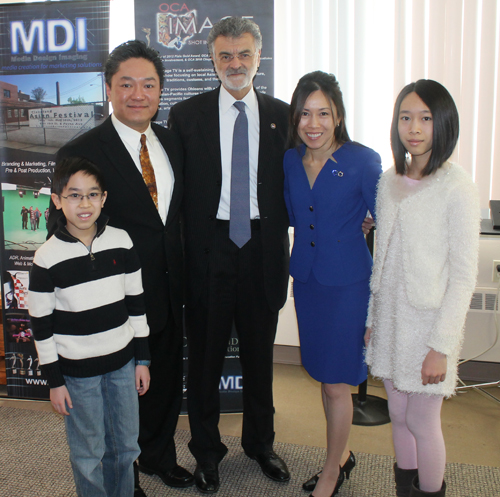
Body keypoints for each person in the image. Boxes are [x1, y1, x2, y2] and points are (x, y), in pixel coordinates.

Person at [50, 40, 192, 495]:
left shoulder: (171, 142)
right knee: (118, 395)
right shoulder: (83, 152)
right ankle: (124, 477)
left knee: (165, 378)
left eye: (148, 84)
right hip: (111, 299)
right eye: (126, 84)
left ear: (160, 91)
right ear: (109, 89)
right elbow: (68, 232)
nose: (138, 94)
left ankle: (158, 456)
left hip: (169, 287)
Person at [167, 17, 291, 494]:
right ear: (212, 60)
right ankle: (207, 453)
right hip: (209, 250)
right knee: (203, 361)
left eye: (243, 55)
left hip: (262, 249)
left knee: (260, 358)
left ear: (259, 57)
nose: (235, 64)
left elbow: (308, 181)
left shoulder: (284, 117)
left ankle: (261, 445)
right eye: (225, 56)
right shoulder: (188, 116)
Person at [364, 80, 480, 497]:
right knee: (398, 413)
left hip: (429, 326)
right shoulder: (390, 179)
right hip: (393, 321)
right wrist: (373, 321)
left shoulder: (457, 187)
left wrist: (441, 346)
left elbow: (465, 276)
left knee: (423, 421)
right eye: (405, 117)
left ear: (443, 122)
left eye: (425, 118)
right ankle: (405, 488)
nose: (413, 128)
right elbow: (383, 261)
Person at [284, 71, 382, 497]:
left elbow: (388, 217)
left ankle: (331, 472)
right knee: (324, 376)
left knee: (338, 382)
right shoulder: (290, 160)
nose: (314, 123)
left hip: (348, 286)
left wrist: (368, 221)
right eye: (305, 113)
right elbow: (294, 215)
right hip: (307, 281)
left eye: (323, 113)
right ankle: (341, 457)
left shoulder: (363, 159)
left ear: (338, 116)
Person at [29, 157, 151, 497]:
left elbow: (136, 305)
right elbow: (41, 325)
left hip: (123, 366)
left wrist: (143, 360)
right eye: (74, 195)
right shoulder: (46, 258)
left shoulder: (122, 241)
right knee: (88, 453)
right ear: (57, 200)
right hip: (77, 376)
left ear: (104, 198)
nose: (85, 204)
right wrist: (55, 382)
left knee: (126, 446)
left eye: (92, 194)